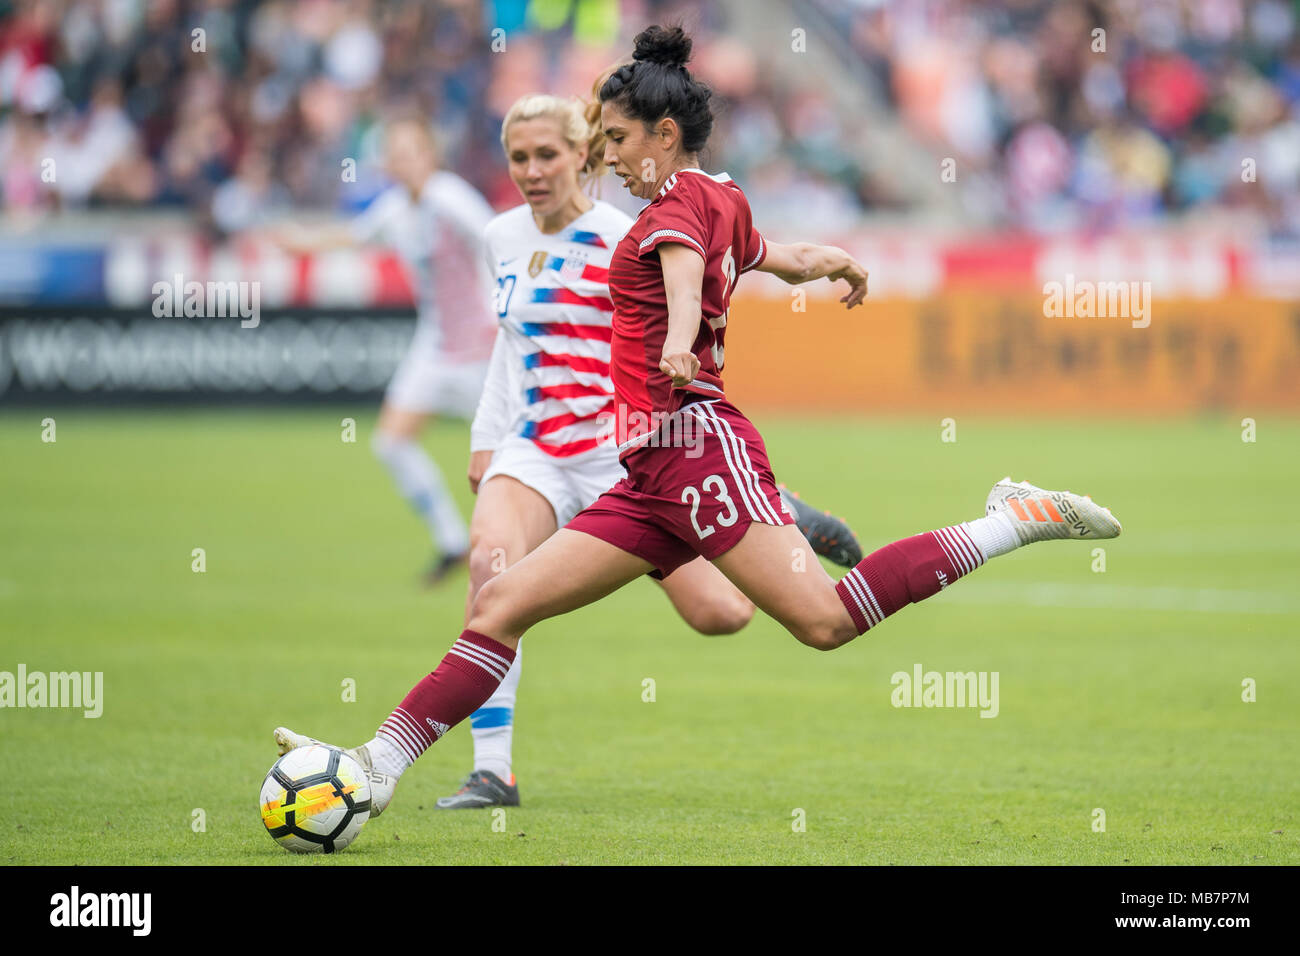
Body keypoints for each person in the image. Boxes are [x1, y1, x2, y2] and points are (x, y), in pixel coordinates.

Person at [274, 24, 1121, 823]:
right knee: (498, 606)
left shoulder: (669, 213)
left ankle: (1009, 519)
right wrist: (835, 263)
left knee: (824, 622)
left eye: (615, 137)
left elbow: (682, 282)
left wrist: (680, 343)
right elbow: (777, 257)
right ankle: (376, 767)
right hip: (647, 471)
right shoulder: (722, 196)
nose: (607, 154)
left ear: (665, 133)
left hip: (695, 448)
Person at [435, 91, 863, 809]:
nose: (533, 171)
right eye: (519, 158)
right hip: (535, 446)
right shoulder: (499, 238)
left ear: (584, 155)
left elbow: (695, 305)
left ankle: (764, 508)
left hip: (626, 452)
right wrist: (487, 438)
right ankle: (492, 770)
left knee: (722, 614)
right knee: (491, 567)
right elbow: (509, 345)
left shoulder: (625, 231)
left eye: (548, 155)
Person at [272, 117, 498, 584]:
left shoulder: (450, 198)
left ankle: (526, 544)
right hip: (435, 347)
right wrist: (300, 243)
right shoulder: (395, 208)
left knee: (504, 459)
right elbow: (353, 236)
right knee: (392, 442)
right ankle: (452, 540)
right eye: (394, 154)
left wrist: (506, 308)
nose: (402, 161)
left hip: (481, 348)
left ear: (430, 155)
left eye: (411, 151)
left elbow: (497, 242)